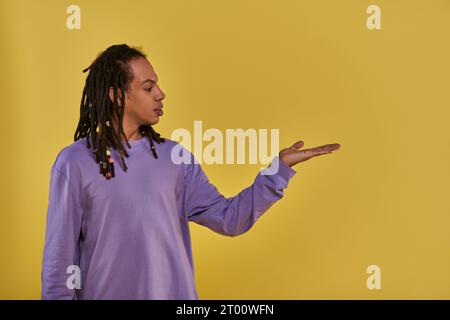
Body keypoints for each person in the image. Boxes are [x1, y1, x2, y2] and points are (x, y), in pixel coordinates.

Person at [41, 44, 341, 300]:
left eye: (157, 85)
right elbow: (59, 267)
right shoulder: (74, 163)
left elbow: (229, 218)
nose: (161, 94)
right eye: (148, 87)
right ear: (117, 95)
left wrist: (279, 170)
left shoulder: (175, 158)